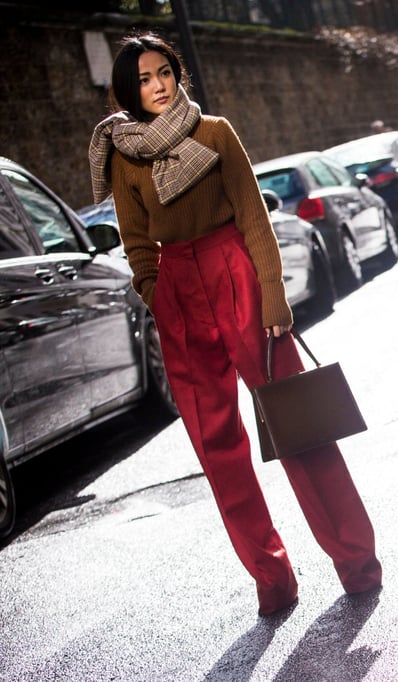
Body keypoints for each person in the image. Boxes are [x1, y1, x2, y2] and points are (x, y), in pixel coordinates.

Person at [88, 33, 382, 616]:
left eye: (164, 72)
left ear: (177, 74)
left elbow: (253, 216)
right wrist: (155, 292)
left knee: (298, 426)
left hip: (236, 272)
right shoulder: (123, 155)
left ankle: (355, 560)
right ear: (129, 90)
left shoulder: (215, 132)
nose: (158, 85)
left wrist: (273, 298)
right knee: (216, 448)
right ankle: (272, 579)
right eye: (144, 79)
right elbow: (136, 240)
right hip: (178, 293)